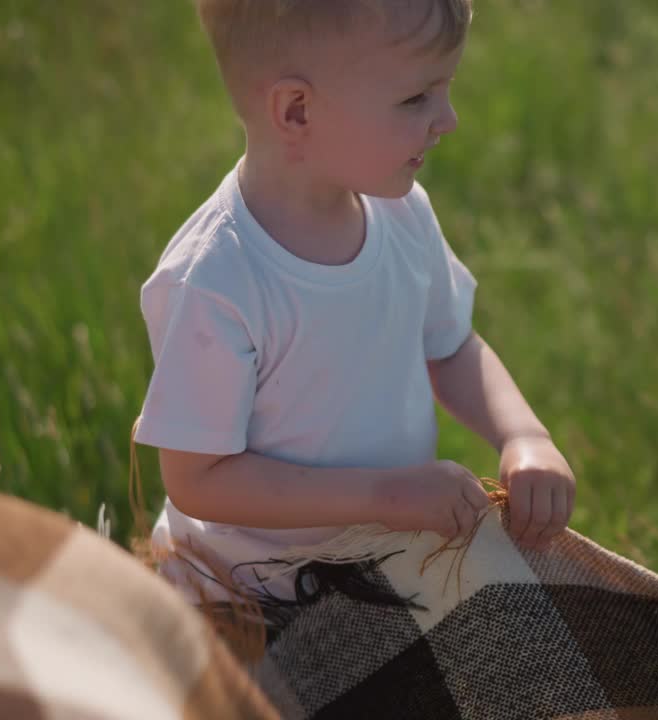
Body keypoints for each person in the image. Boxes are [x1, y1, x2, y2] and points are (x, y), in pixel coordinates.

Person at [135, 0, 575, 603]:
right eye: (415, 99)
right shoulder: (217, 278)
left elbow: (451, 348)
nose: (447, 119)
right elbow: (198, 479)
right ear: (297, 110)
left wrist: (524, 436)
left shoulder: (403, 215)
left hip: (386, 565)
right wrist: (383, 497)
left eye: (443, 91)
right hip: (245, 596)